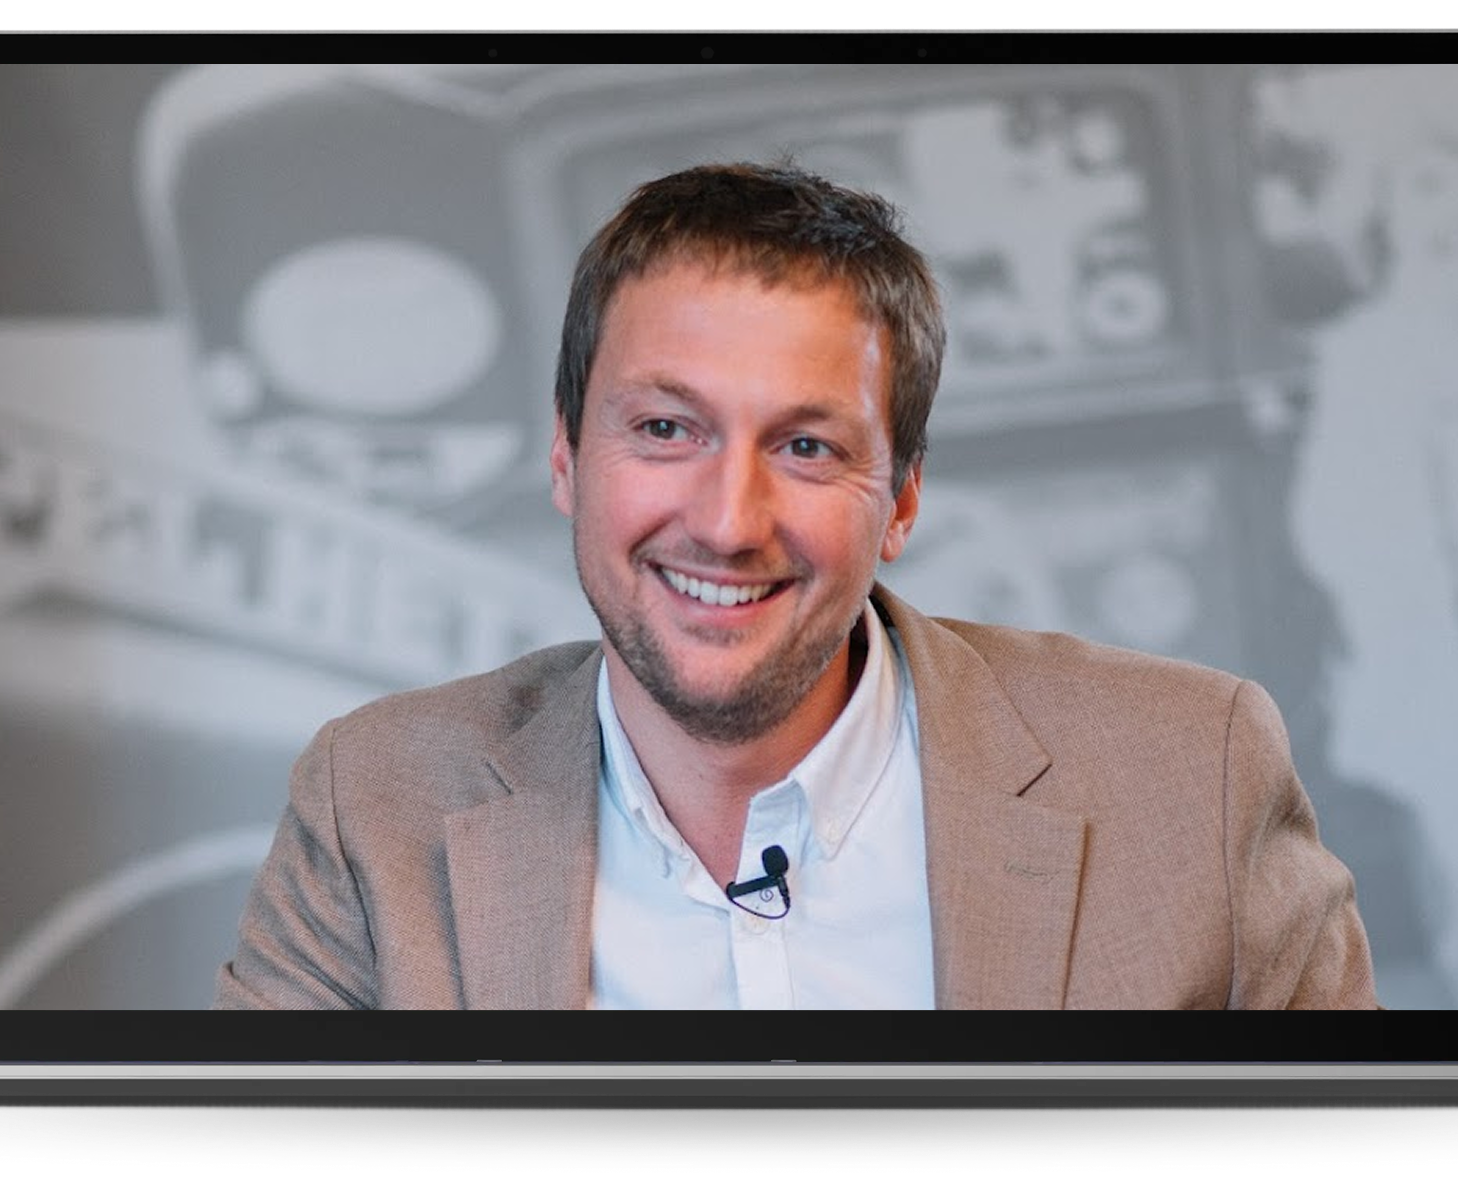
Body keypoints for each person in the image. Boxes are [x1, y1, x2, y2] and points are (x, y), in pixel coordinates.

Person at [215, 163, 1378, 1010]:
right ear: (565, 459)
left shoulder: (1195, 773)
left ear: (906, 499)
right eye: (666, 428)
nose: (727, 522)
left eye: (808, 447)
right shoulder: (372, 804)